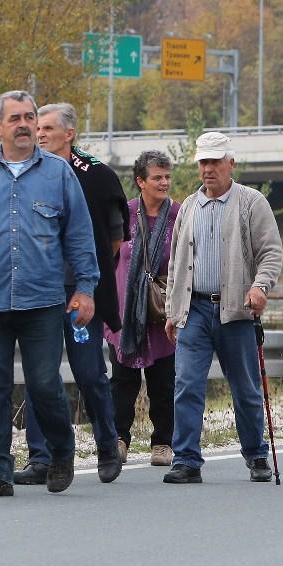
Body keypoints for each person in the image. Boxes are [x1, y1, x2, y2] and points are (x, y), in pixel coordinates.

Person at [0, 90, 99, 498]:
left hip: (43, 302)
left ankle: (60, 452)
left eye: (29, 117)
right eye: (15, 118)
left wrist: (85, 289)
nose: (24, 124)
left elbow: (80, 236)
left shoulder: (59, 174)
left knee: (44, 384)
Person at [12, 102, 129, 486]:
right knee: (38, 374)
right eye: (37, 127)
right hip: (38, 292)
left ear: (69, 133)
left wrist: (85, 281)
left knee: (88, 371)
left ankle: (107, 443)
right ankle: (40, 457)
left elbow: (114, 240)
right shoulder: (27, 173)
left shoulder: (96, 176)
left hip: (79, 292)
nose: (40, 133)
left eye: (47, 127)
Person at [161, 132, 283, 484]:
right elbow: (176, 265)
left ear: (231, 163)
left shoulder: (250, 202)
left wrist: (260, 286)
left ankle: (257, 455)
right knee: (186, 384)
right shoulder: (187, 206)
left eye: (215, 161)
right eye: (203, 162)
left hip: (235, 310)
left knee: (245, 388)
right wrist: (173, 310)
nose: (208, 169)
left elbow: (271, 252)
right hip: (194, 309)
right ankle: (186, 460)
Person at [105, 150, 178, 466]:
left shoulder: (179, 215)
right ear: (140, 181)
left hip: (162, 313)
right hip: (125, 314)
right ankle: (118, 439)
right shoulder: (124, 214)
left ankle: (162, 443)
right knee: (123, 381)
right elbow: (107, 258)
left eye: (167, 177)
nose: (164, 183)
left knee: (163, 382)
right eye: (157, 177)